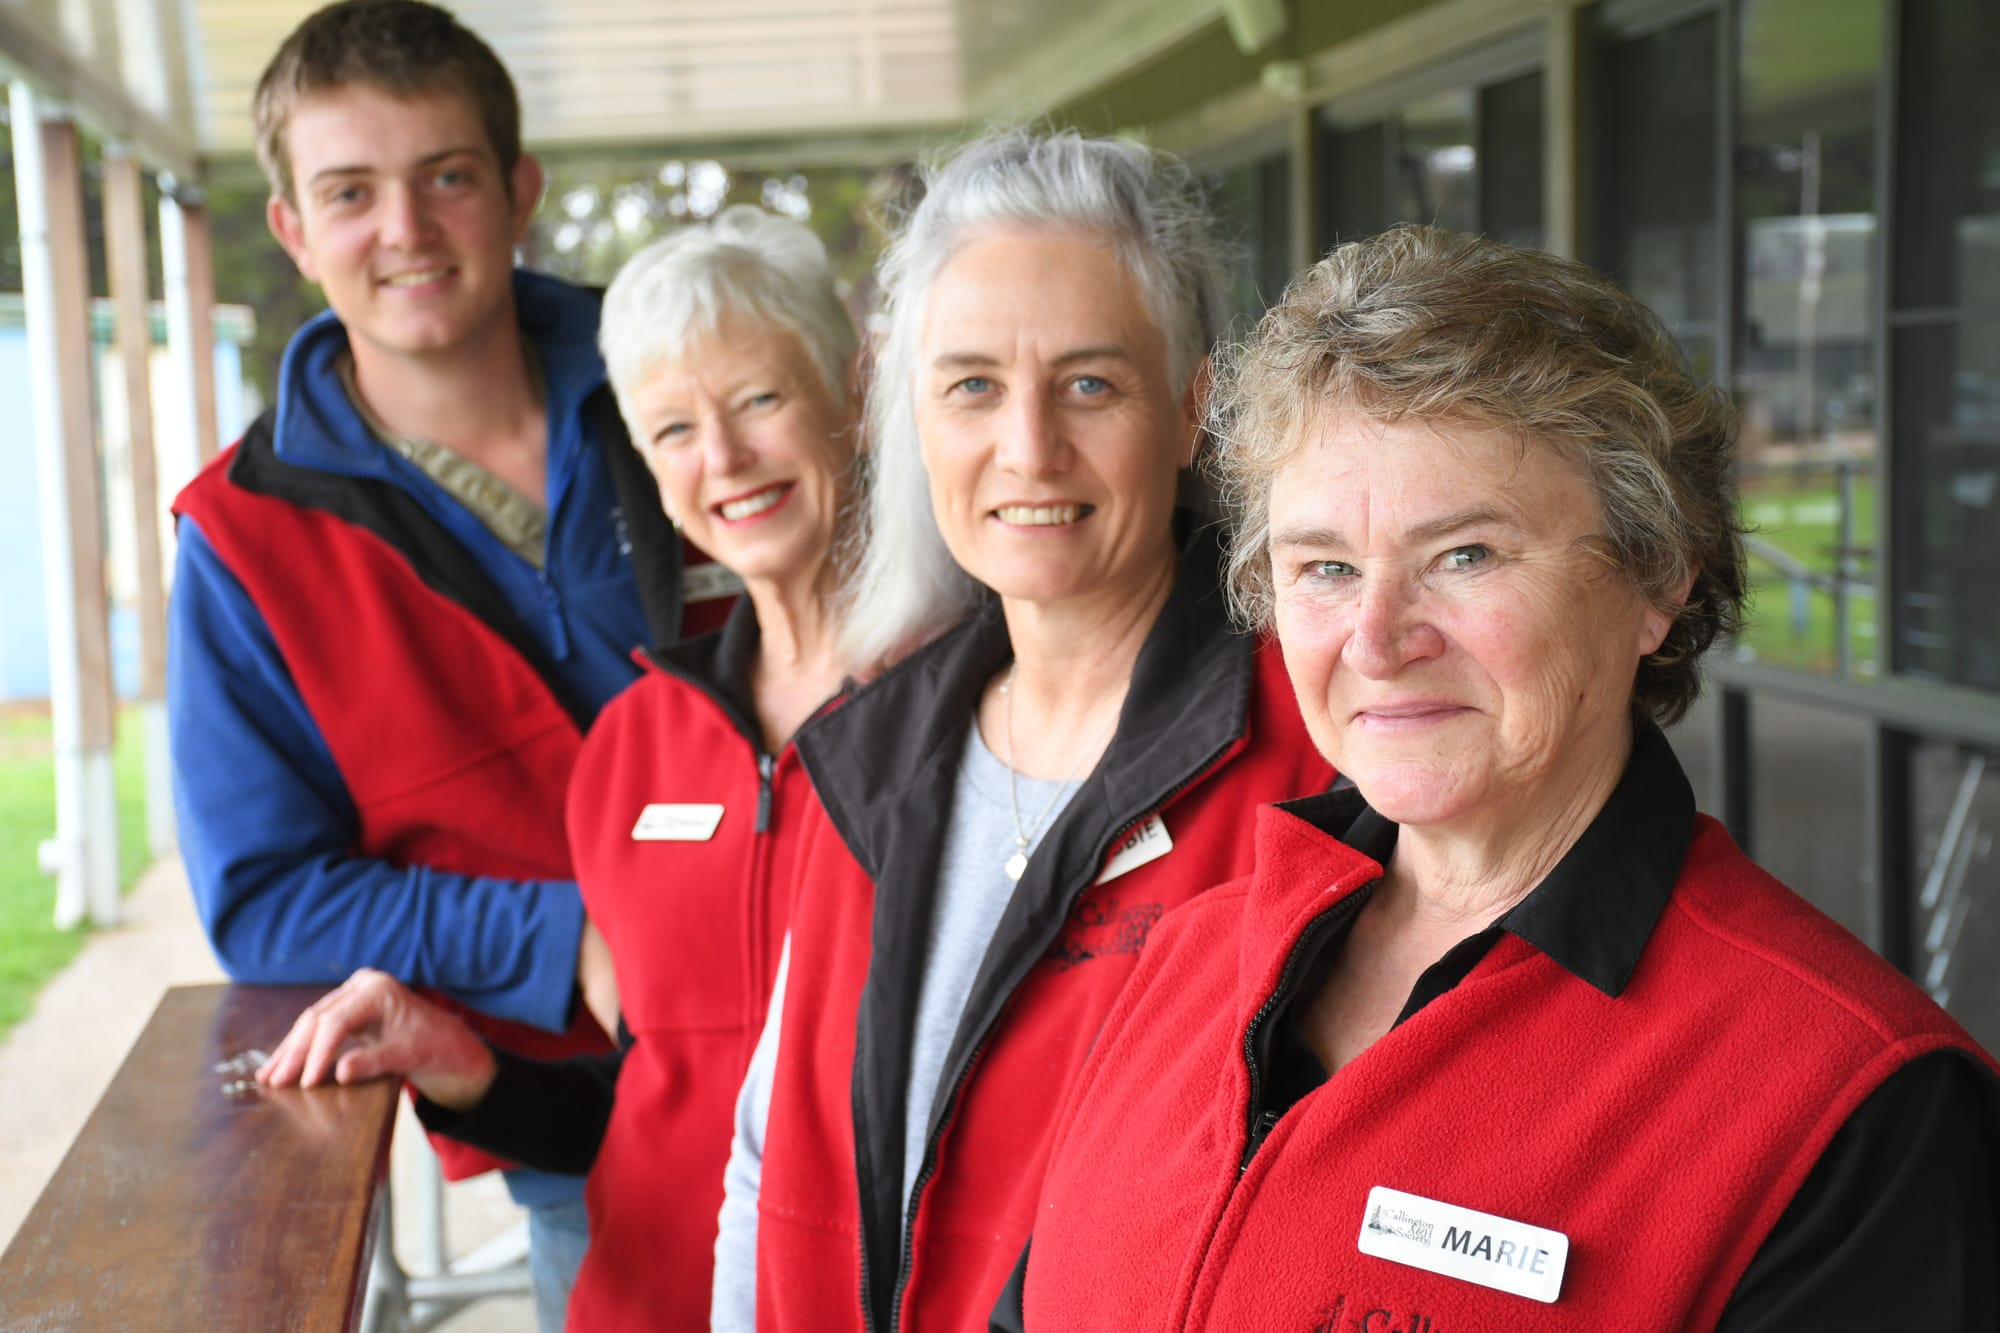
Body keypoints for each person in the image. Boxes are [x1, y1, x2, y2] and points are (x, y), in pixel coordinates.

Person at [1003, 226, 2000, 1330]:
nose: (1376, 640)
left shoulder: (1848, 1101)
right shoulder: (1183, 966)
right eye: (1325, 567)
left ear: (1655, 574)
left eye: (1463, 554)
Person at [710, 128, 1337, 1333]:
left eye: (1090, 382)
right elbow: (762, 1161)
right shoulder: (866, 755)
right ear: (912, 409)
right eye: (972, 386)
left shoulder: (1309, 766)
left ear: (1192, 401)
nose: (1028, 448)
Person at [167, 3, 718, 1323]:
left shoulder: (689, 383)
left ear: (517, 192)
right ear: (295, 227)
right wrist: (565, 935)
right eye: (350, 192)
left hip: (852, 1043)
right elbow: (268, 902)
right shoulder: (241, 538)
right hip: (588, 1126)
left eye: (447, 177)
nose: (404, 232)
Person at [254, 205, 861, 1331]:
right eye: (672, 428)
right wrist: (469, 1065)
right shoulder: (637, 747)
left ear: (852, 392)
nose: (719, 459)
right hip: (641, 1300)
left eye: (759, 400)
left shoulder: (974, 711)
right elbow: (647, 1106)